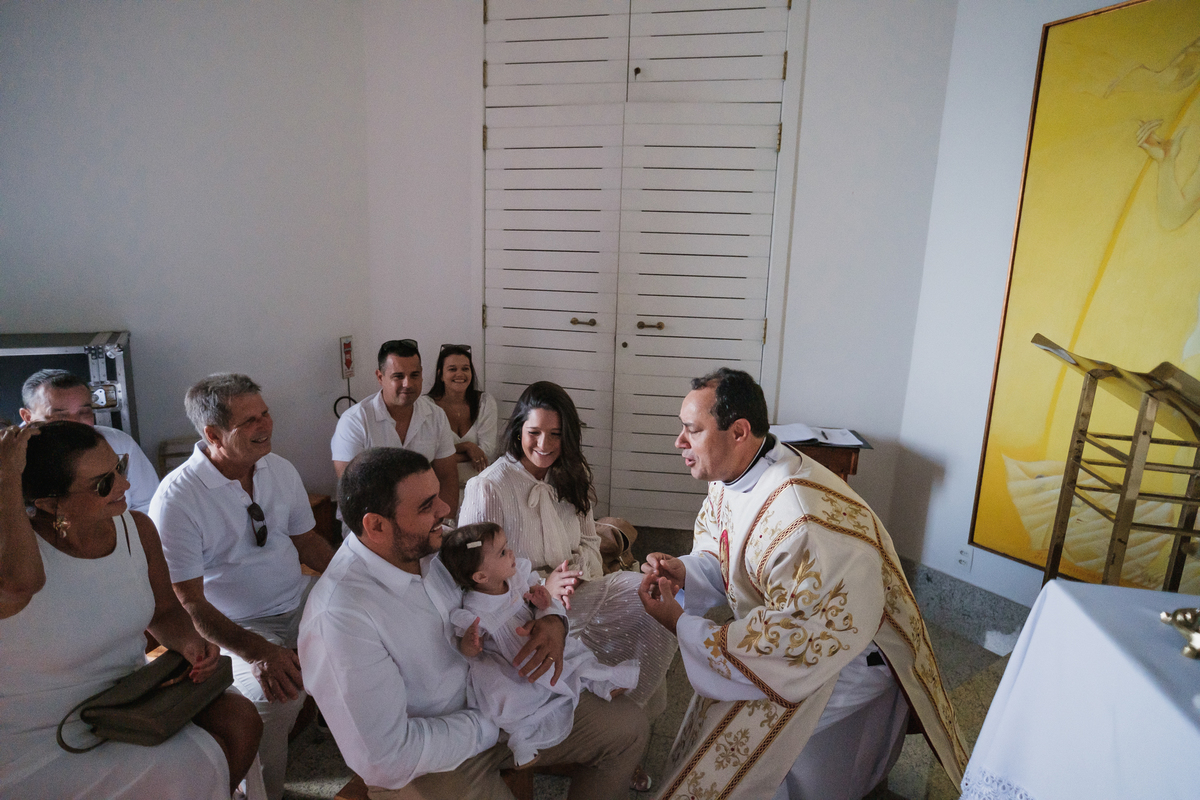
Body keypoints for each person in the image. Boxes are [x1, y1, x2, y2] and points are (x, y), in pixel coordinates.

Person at [636, 368, 968, 800]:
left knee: (741, 753)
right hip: (793, 637)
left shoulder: (798, 517)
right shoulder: (737, 475)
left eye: (692, 430)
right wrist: (687, 571)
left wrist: (680, 623)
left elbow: (786, 643)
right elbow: (729, 553)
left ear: (739, 432)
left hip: (846, 655)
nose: (679, 442)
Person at [299, 447, 648, 799]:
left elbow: (520, 577)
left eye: (437, 496)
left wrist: (552, 619)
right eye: (426, 505)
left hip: (503, 704)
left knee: (628, 728)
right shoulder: (340, 617)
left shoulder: (435, 546)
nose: (444, 509)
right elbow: (386, 758)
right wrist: (492, 722)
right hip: (428, 759)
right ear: (376, 525)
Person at [0, 422, 262, 799]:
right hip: (43, 730)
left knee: (241, 719)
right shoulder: (15, 559)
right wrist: (7, 477)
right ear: (49, 503)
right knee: (186, 767)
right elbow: (20, 584)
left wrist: (190, 642)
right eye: (102, 483)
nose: (124, 484)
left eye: (119, 467)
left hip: (128, 700)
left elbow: (165, 611)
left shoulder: (136, 529)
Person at [458, 381, 676, 792]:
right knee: (636, 601)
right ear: (518, 430)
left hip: (579, 592)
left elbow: (591, 542)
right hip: (520, 612)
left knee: (650, 607)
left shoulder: (572, 475)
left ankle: (622, 732)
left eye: (556, 434)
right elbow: (471, 571)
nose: (544, 444)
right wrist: (544, 585)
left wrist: (573, 576)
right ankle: (606, 739)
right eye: (535, 432)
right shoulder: (487, 487)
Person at [149, 373, 335, 800]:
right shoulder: (177, 499)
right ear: (213, 434)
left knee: (373, 623)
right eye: (248, 421)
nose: (264, 425)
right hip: (236, 626)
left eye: (265, 413)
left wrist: (359, 578)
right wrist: (257, 651)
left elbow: (308, 541)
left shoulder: (278, 468)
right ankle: (263, 793)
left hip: (298, 599)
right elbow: (189, 601)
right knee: (276, 698)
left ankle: (358, 740)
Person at [440, 522, 638, 767]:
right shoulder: (474, 608)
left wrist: (542, 602)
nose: (511, 553)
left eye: (507, 547)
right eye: (502, 553)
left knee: (573, 655)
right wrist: (471, 643)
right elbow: (468, 650)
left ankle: (601, 680)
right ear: (481, 576)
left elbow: (538, 604)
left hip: (534, 638)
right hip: (509, 663)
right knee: (509, 700)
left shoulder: (516, 579)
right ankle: (522, 740)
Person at [332, 339, 458, 524]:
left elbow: (447, 478)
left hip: (424, 521)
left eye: (414, 375)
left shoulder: (435, 416)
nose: (408, 383)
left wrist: (443, 524)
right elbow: (354, 489)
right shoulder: (355, 421)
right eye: (398, 376)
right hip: (370, 522)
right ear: (380, 377)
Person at [20, 369, 160, 513]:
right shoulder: (13, 460)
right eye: (61, 416)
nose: (76, 424)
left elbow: (148, 505)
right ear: (28, 417)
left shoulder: (119, 443)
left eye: (84, 413)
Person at [427, 344, 499, 501]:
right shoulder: (426, 406)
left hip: (480, 490)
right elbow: (427, 455)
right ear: (440, 375)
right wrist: (468, 447)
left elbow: (488, 452)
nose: (460, 374)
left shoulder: (485, 402)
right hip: (439, 490)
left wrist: (444, 457)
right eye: (452, 369)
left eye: (465, 369)